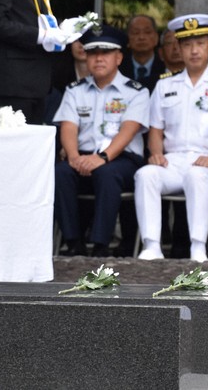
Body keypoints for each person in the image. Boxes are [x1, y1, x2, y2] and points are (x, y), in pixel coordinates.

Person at [134, 14, 208, 262]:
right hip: (174, 161)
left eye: (200, 44)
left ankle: (198, 247)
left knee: (196, 176)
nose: (194, 51)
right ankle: (152, 246)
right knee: (145, 174)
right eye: (187, 45)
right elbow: (155, 130)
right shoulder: (164, 85)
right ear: (178, 48)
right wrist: (156, 153)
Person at [52, 28, 149, 257]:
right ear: (85, 56)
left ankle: (100, 245)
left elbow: (129, 130)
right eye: (92, 52)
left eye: (105, 53)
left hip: (121, 159)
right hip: (82, 156)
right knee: (60, 172)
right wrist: (74, 156)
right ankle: (73, 242)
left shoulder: (135, 92)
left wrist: (102, 158)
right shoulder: (75, 90)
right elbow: (68, 126)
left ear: (119, 58)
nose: (98, 58)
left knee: (107, 174)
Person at [119, 15, 166, 93]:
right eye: (135, 32)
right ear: (127, 38)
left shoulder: (165, 66)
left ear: (156, 38)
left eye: (147, 32)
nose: (141, 37)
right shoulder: (119, 67)